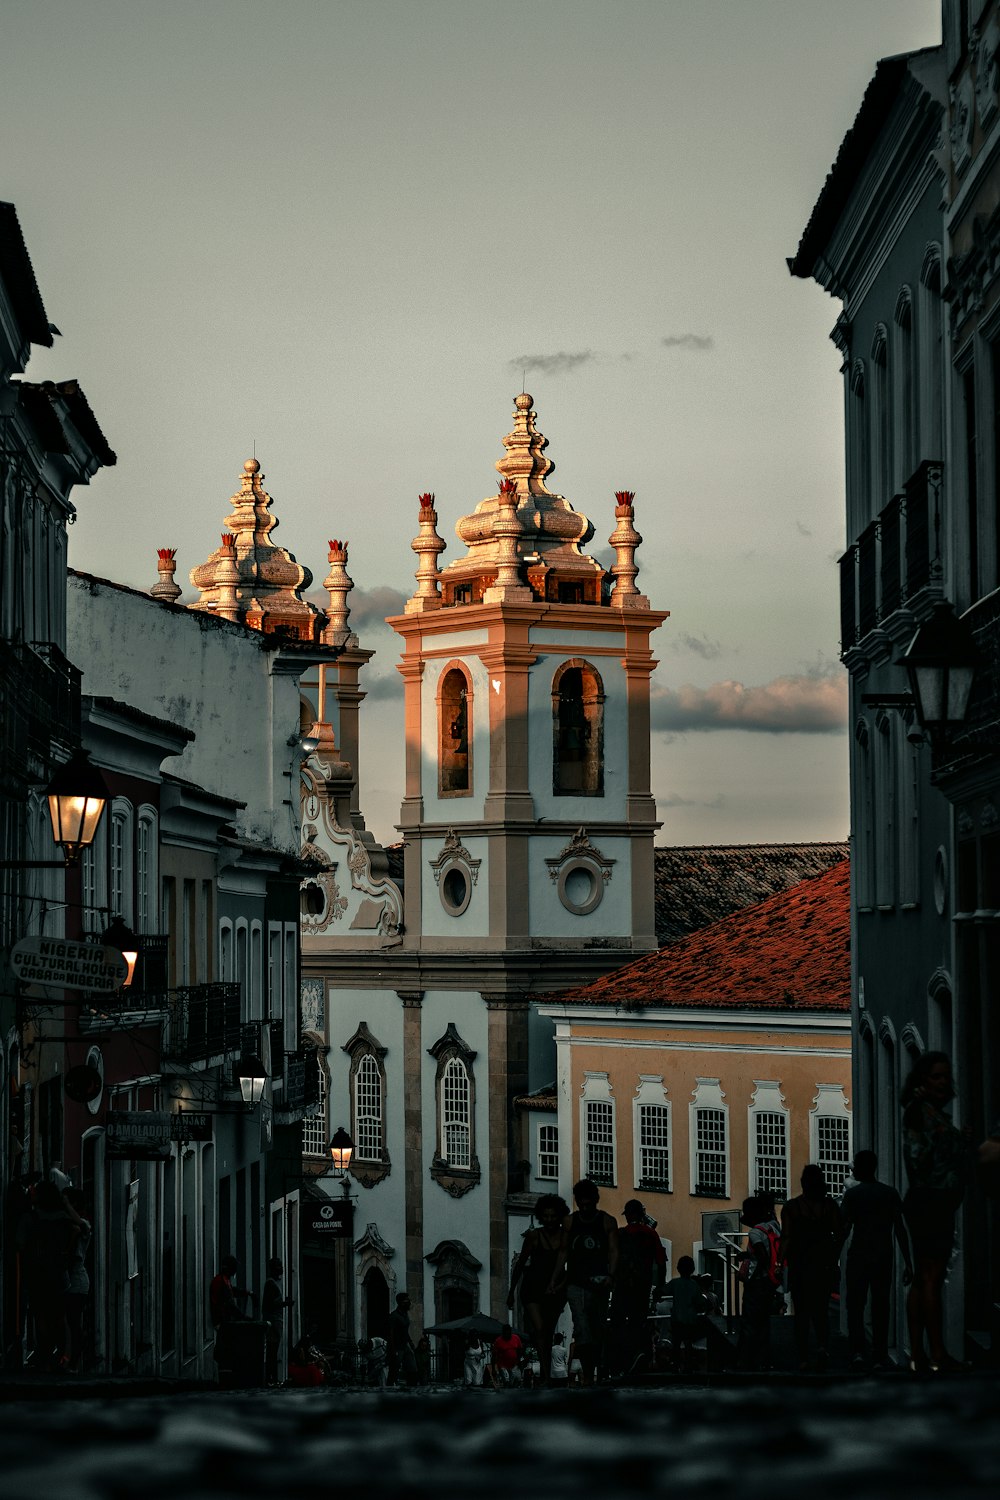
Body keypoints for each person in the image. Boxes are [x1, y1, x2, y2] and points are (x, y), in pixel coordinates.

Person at [901, 1052, 972, 1371]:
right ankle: (937, 1353)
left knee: (922, 1278)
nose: (943, 1082)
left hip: (928, 1201)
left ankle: (919, 1354)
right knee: (931, 1276)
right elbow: (922, 1160)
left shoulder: (927, 1112)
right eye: (936, 1077)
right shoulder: (920, 1113)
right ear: (923, 1081)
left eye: (946, 1076)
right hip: (932, 1202)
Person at [840, 1149, 913, 1371]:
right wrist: (908, 1262)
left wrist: (832, 1258)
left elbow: (844, 1229)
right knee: (881, 1305)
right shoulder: (889, 1193)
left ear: (861, 1168)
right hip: (883, 1254)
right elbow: (900, 1229)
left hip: (859, 1254)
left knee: (855, 1305)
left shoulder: (853, 1196)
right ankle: (880, 1353)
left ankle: (858, 1352)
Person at [557, 1179, 618, 1385]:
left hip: (600, 1282)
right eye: (580, 1203)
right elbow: (563, 1252)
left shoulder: (607, 1221)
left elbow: (613, 1251)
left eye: (588, 1203)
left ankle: (599, 1370)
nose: (584, 1206)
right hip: (576, 1282)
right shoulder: (569, 1222)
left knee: (598, 1326)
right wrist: (556, 1278)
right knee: (582, 1328)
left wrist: (610, 1275)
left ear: (596, 1200)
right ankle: (589, 1372)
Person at [781, 1165, 841, 1372]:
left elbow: (786, 1237)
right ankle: (823, 1347)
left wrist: (780, 1262)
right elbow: (839, 1232)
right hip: (823, 1263)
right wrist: (833, 1255)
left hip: (800, 1264)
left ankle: (803, 1357)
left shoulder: (791, 1207)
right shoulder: (830, 1206)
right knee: (821, 1311)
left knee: (802, 1314)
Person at [506, 1193, 568, 1386]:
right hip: (533, 1287)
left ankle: (546, 1372)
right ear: (542, 1216)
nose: (549, 1220)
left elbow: (570, 1266)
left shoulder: (565, 1237)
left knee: (548, 1331)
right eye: (546, 1216)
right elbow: (520, 1264)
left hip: (555, 1290)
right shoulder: (534, 1236)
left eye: (553, 1216)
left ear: (559, 1216)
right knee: (540, 1329)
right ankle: (546, 1376)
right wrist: (511, 1291)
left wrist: (560, 1285)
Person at [609, 1199, 666, 1376]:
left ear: (627, 1215)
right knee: (639, 1321)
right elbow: (661, 1262)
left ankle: (619, 1361)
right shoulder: (651, 1234)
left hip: (622, 1285)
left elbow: (612, 1259)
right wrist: (660, 1286)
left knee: (617, 1322)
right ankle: (639, 1354)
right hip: (642, 1285)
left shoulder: (620, 1234)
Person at [736, 1194, 782, 1373]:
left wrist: (753, 1276)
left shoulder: (755, 1231)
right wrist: (748, 1255)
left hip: (758, 1283)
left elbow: (762, 1255)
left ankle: (746, 1361)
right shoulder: (774, 1227)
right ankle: (765, 1360)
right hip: (772, 1281)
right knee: (764, 1323)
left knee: (749, 1322)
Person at [62, 1187, 91, 1374]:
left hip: (77, 1281)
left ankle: (73, 1362)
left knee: (73, 1322)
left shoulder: (84, 1226)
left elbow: (80, 1224)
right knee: (65, 1321)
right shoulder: (63, 1223)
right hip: (64, 1279)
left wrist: (65, 1203)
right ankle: (65, 1359)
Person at [664, 1255, 709, 1373]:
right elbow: (699, 1302)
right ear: (692, 1269)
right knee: (688, 1342)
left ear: (678, 1268)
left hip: (677, 1317)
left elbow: (664, 1290)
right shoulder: (694, 1285)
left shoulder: (675, 1283)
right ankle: (688, 1365)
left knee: (676, 1343)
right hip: (690, 1318)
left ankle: (675, 1365)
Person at [261, 1257, 292, 1385]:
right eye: (279, 1266)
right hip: (273, 1322)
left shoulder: (273, 1283)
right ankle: (270, 1379)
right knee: (272, 1352)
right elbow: (268, 1305)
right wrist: (285, 1303)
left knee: (273, 1351)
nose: (282, 1269)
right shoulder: (270, 1283)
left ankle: (272, 1378)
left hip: (276, 1322)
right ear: (273, 1269)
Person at [387, 1291, 418, 1386]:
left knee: (412, 1368)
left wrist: (411, 1343)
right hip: (397, 1347)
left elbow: (405, 1331)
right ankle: (389, 1387)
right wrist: (392, 1350)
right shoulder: (394, 1316)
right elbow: (390, 1334)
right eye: (407, 1301)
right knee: (394, 1369)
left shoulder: (405, 1315)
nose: (409, 1303)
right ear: (401, 1302)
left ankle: (411, 1388)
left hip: (404, 1345)